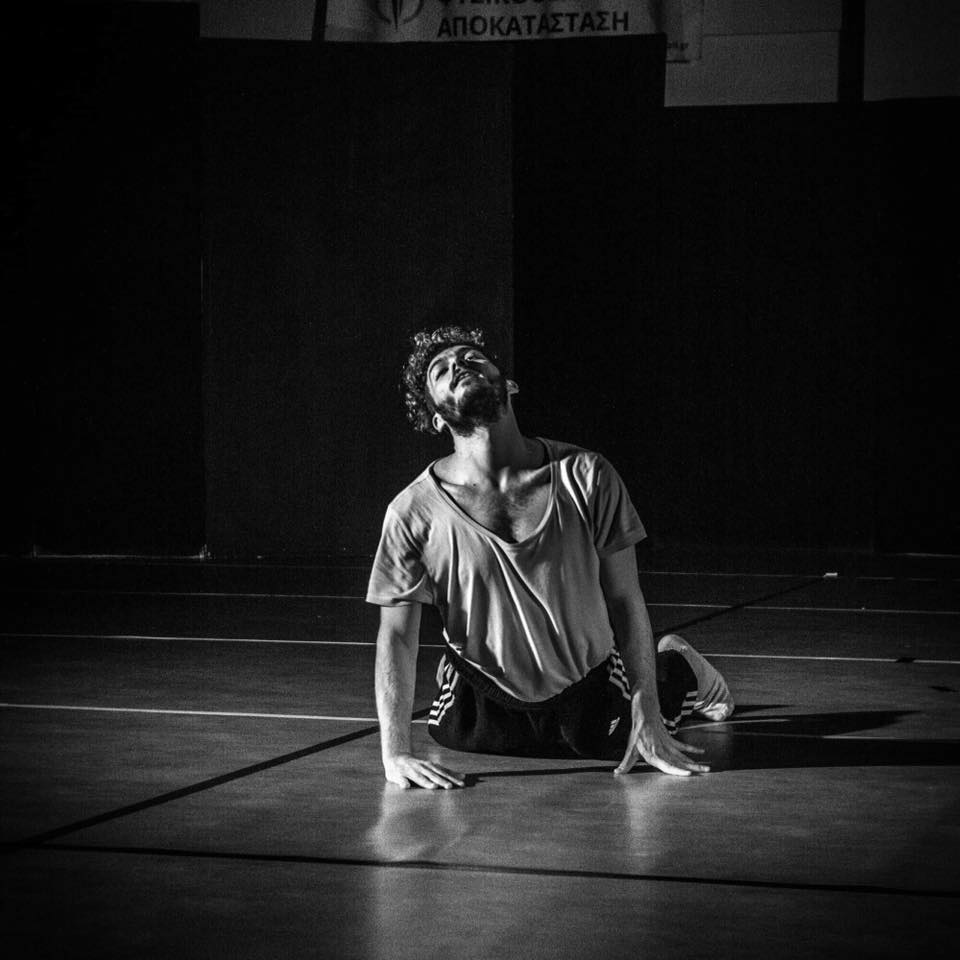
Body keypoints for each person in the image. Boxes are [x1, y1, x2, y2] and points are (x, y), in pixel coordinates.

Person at [367, 326, 734, 789]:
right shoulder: (412, 512)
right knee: (451, 734)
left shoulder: (587, 476)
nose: (458, 364)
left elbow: (625, 599)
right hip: (484, 697)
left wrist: (648, 709)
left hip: (586, 685)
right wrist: (395, 752)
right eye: (440, 370)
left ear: (509, 385)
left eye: (471, 356)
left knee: (619, 742)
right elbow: (397, 635)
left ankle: (678, 664)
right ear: (437, 418)